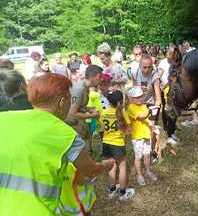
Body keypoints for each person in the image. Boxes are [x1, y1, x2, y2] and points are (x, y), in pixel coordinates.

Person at [0, 73, 113, 215]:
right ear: (61, 102)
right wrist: (105, 166)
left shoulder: (4, 119)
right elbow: (89, 171)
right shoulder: (66, 134)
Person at [100, 90, 135, 200]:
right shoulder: (123, 113)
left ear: (109, 102)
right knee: (122, 167)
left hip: (106, 143)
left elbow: (101, 129)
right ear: (121, 101)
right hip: (118, 144)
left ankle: (112, 189)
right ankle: (123, 193)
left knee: (111, 167)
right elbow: (129, 130)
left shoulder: (103, 113)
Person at [132, 54, 162, 162]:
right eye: (144, 67)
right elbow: (133, 90)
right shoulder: (135, 73)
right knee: (140, 130)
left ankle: (154, 152)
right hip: (139, 105)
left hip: (152, 104)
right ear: (140, 66)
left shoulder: (155, 76)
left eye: (149, 67)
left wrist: (153, 112)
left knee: (152, 129)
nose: (147, 70)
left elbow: (158, 99)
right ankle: (143, 153)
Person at [127, 86, 158, 186]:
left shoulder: (143, 106)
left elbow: (146, 119)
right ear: (131, 98)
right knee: (138, 157)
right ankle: (139, 175)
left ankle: (147, 171)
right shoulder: (131, 107)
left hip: (146, 134)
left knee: (147, 155)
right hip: (137, 137)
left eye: (141, 96)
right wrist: (151, 110)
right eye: (136, 97)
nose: (140, 98)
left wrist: (151, 125)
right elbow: (141, 117)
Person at [67, 65, 103, 150]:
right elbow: (72, 113)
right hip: (73, 125)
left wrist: (89, 109)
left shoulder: (85, 87)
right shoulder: (80, 89)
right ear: (91, 77)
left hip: (79, 123)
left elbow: (80, 106)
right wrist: (92, 116)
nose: (101, 79)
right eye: (99, 76)